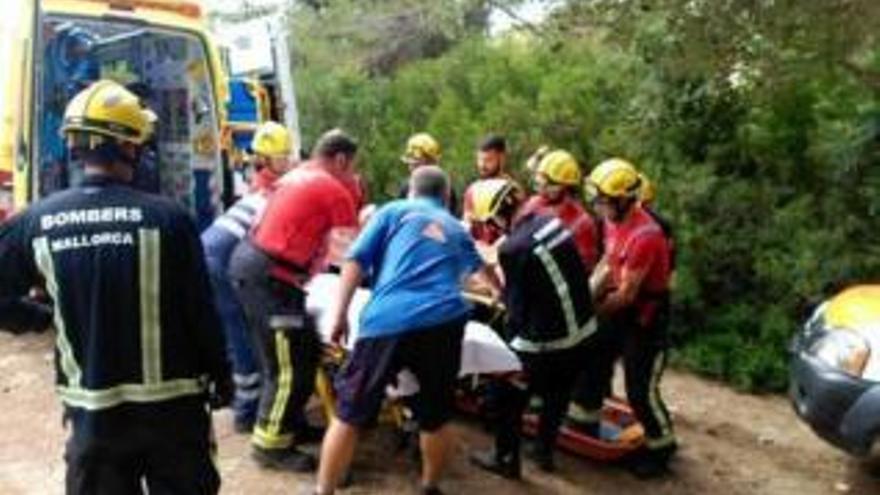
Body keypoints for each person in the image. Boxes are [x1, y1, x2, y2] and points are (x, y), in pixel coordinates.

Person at [0, 80, 231, 494]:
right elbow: (201, 311)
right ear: (131, 147)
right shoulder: (170, 219)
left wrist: (38, 318)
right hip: (175, 415)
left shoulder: (35, 223)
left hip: (93, 417)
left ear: (75, 147)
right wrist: (223, 375)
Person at [313, 166, 500, 495]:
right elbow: (485, 272)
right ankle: (429, 486)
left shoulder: (394, 211)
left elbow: (355, 261)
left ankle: (323, 490)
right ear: (446, 197)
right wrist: (501, 292)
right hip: (444, 322)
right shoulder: (456, 229)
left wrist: (340, 315)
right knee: (436, 416)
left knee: (349, 413)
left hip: (389, 320)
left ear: (412, 191)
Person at [228, 129, 360, 472]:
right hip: (270, 279)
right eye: (351, 168)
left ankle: (290, 426)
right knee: (288, 367)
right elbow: (351, 257)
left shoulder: (298, 175)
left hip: (257, 269)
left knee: (303, 351)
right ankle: (270, 446)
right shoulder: (334, 189)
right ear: (342, 160)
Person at [467, 178, 597, 478]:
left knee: (506, 395)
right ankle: (543, 453)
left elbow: (514, 308)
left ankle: (505, 459)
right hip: (583, 332)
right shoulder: (550, 222)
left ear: (497, 216)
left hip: (547, 343)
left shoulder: (513, 250)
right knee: (557, 395)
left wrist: (490, 290)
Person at [583, 158, 677, 478]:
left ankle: (661, 447)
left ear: (623, 200)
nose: (598, 207)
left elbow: (626, 294)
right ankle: (584, 413)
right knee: (593, 353)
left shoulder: (646, 235)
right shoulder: (613, 220)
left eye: (604, 201)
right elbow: (608, 262)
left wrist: (588, 309)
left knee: (640, 388)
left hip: (645, 316)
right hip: (621, 309)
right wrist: (585, 293)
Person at [201, 121, 295, 433]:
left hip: (210, 254)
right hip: (217, 261)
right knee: (242, 331)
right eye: (284, 157)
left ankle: (242, 398)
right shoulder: (274, 194)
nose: (289, 162)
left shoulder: (258, 184)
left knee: (233, 330)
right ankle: (246, 409)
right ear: (270, 160)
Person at [523, 149, 600, 272]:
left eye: (548, 185)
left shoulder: (582, 223)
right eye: (540, 184)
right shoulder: (534, 204)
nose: (542, 190)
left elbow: (585, 266)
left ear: (566, 186)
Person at [462, 134, 519, 245]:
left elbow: (518, 230)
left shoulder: (512, 191)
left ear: (501, 158)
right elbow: (466, 227)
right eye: (479, 159)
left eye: (488, 160)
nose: (482, 165)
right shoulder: (472, 190)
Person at [397, 133, 459, 215]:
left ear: (431, 162)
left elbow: (450, 218)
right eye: (410, 164)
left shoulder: (445, 188)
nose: (411, 168)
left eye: (416, 164)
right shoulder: (406, 187)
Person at [249, 121, 295, 193]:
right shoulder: (260, 189)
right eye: (279, 159)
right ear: (264, 159)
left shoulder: (283, 178)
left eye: (287, 157)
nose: (286, 162)